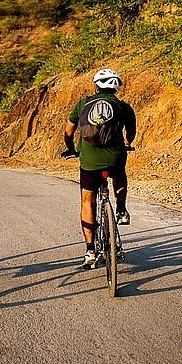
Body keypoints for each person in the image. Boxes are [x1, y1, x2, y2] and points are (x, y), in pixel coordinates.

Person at [62, 68, 136, 268]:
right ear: (117, 88)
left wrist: (71, 149)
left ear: (96, 86)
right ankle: (121, 209)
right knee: (119, 173)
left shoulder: (83, 104)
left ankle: (90, 251)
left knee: (88, 200)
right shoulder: (123, 107)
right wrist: (127, 144)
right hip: (114, 158)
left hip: (90, 161)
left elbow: (68, 132)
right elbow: (131, 133)